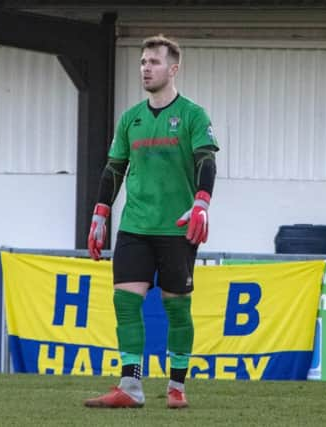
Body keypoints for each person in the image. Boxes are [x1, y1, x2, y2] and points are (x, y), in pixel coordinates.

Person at [84, 34, 218, 409]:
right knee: (126, 303)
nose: (146, 68)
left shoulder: (192, 115)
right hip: (135, 227)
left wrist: (202, 202)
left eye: (154, 62)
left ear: (173, 69)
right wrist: (100, 211)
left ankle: (176, 386)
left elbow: (206, 160)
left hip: (176, 227)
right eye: (143, 62)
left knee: (177, 307)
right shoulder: (131, 118)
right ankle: (131, 386)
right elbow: (114, 167)